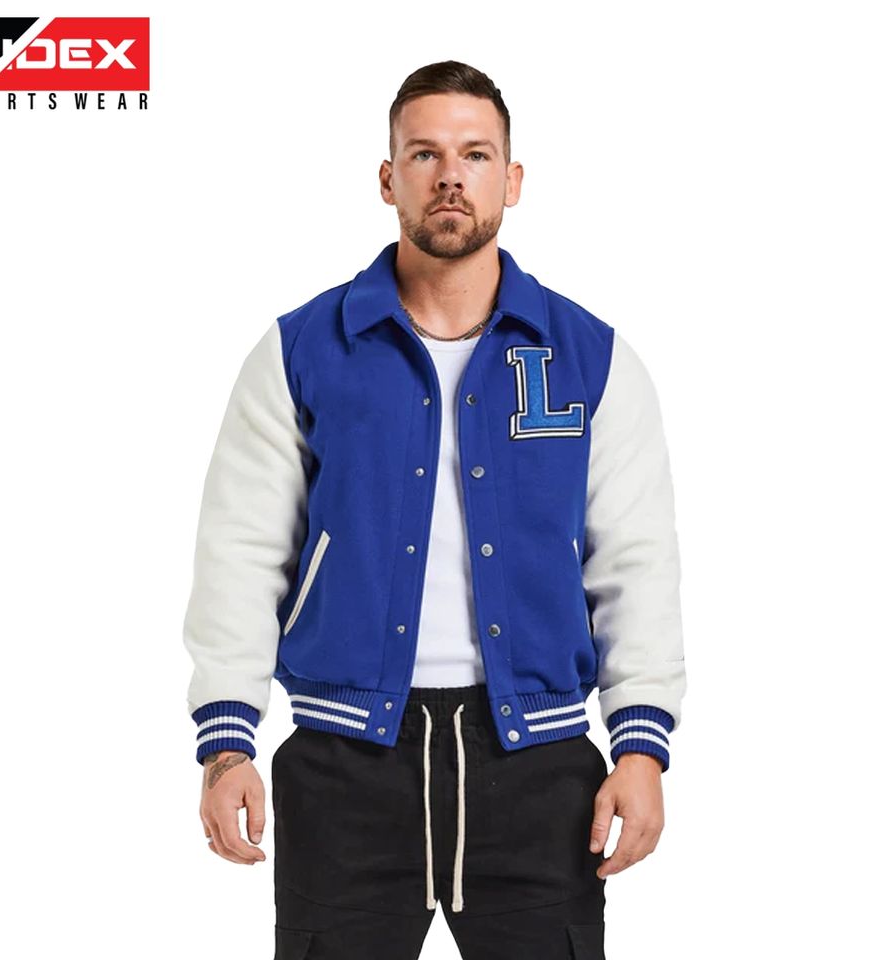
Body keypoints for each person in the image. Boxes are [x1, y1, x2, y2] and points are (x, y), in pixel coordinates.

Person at [182, 60, 686, 960]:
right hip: (344, 766)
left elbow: (634, 564)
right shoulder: (302, 351)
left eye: (475, 154)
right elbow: (241, 551)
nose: (451, 175)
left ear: (512, 180)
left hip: (539, 771)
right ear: (389, 179)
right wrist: (227, 745)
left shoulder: (591, 358)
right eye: (425, 154)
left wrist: (641, 748)